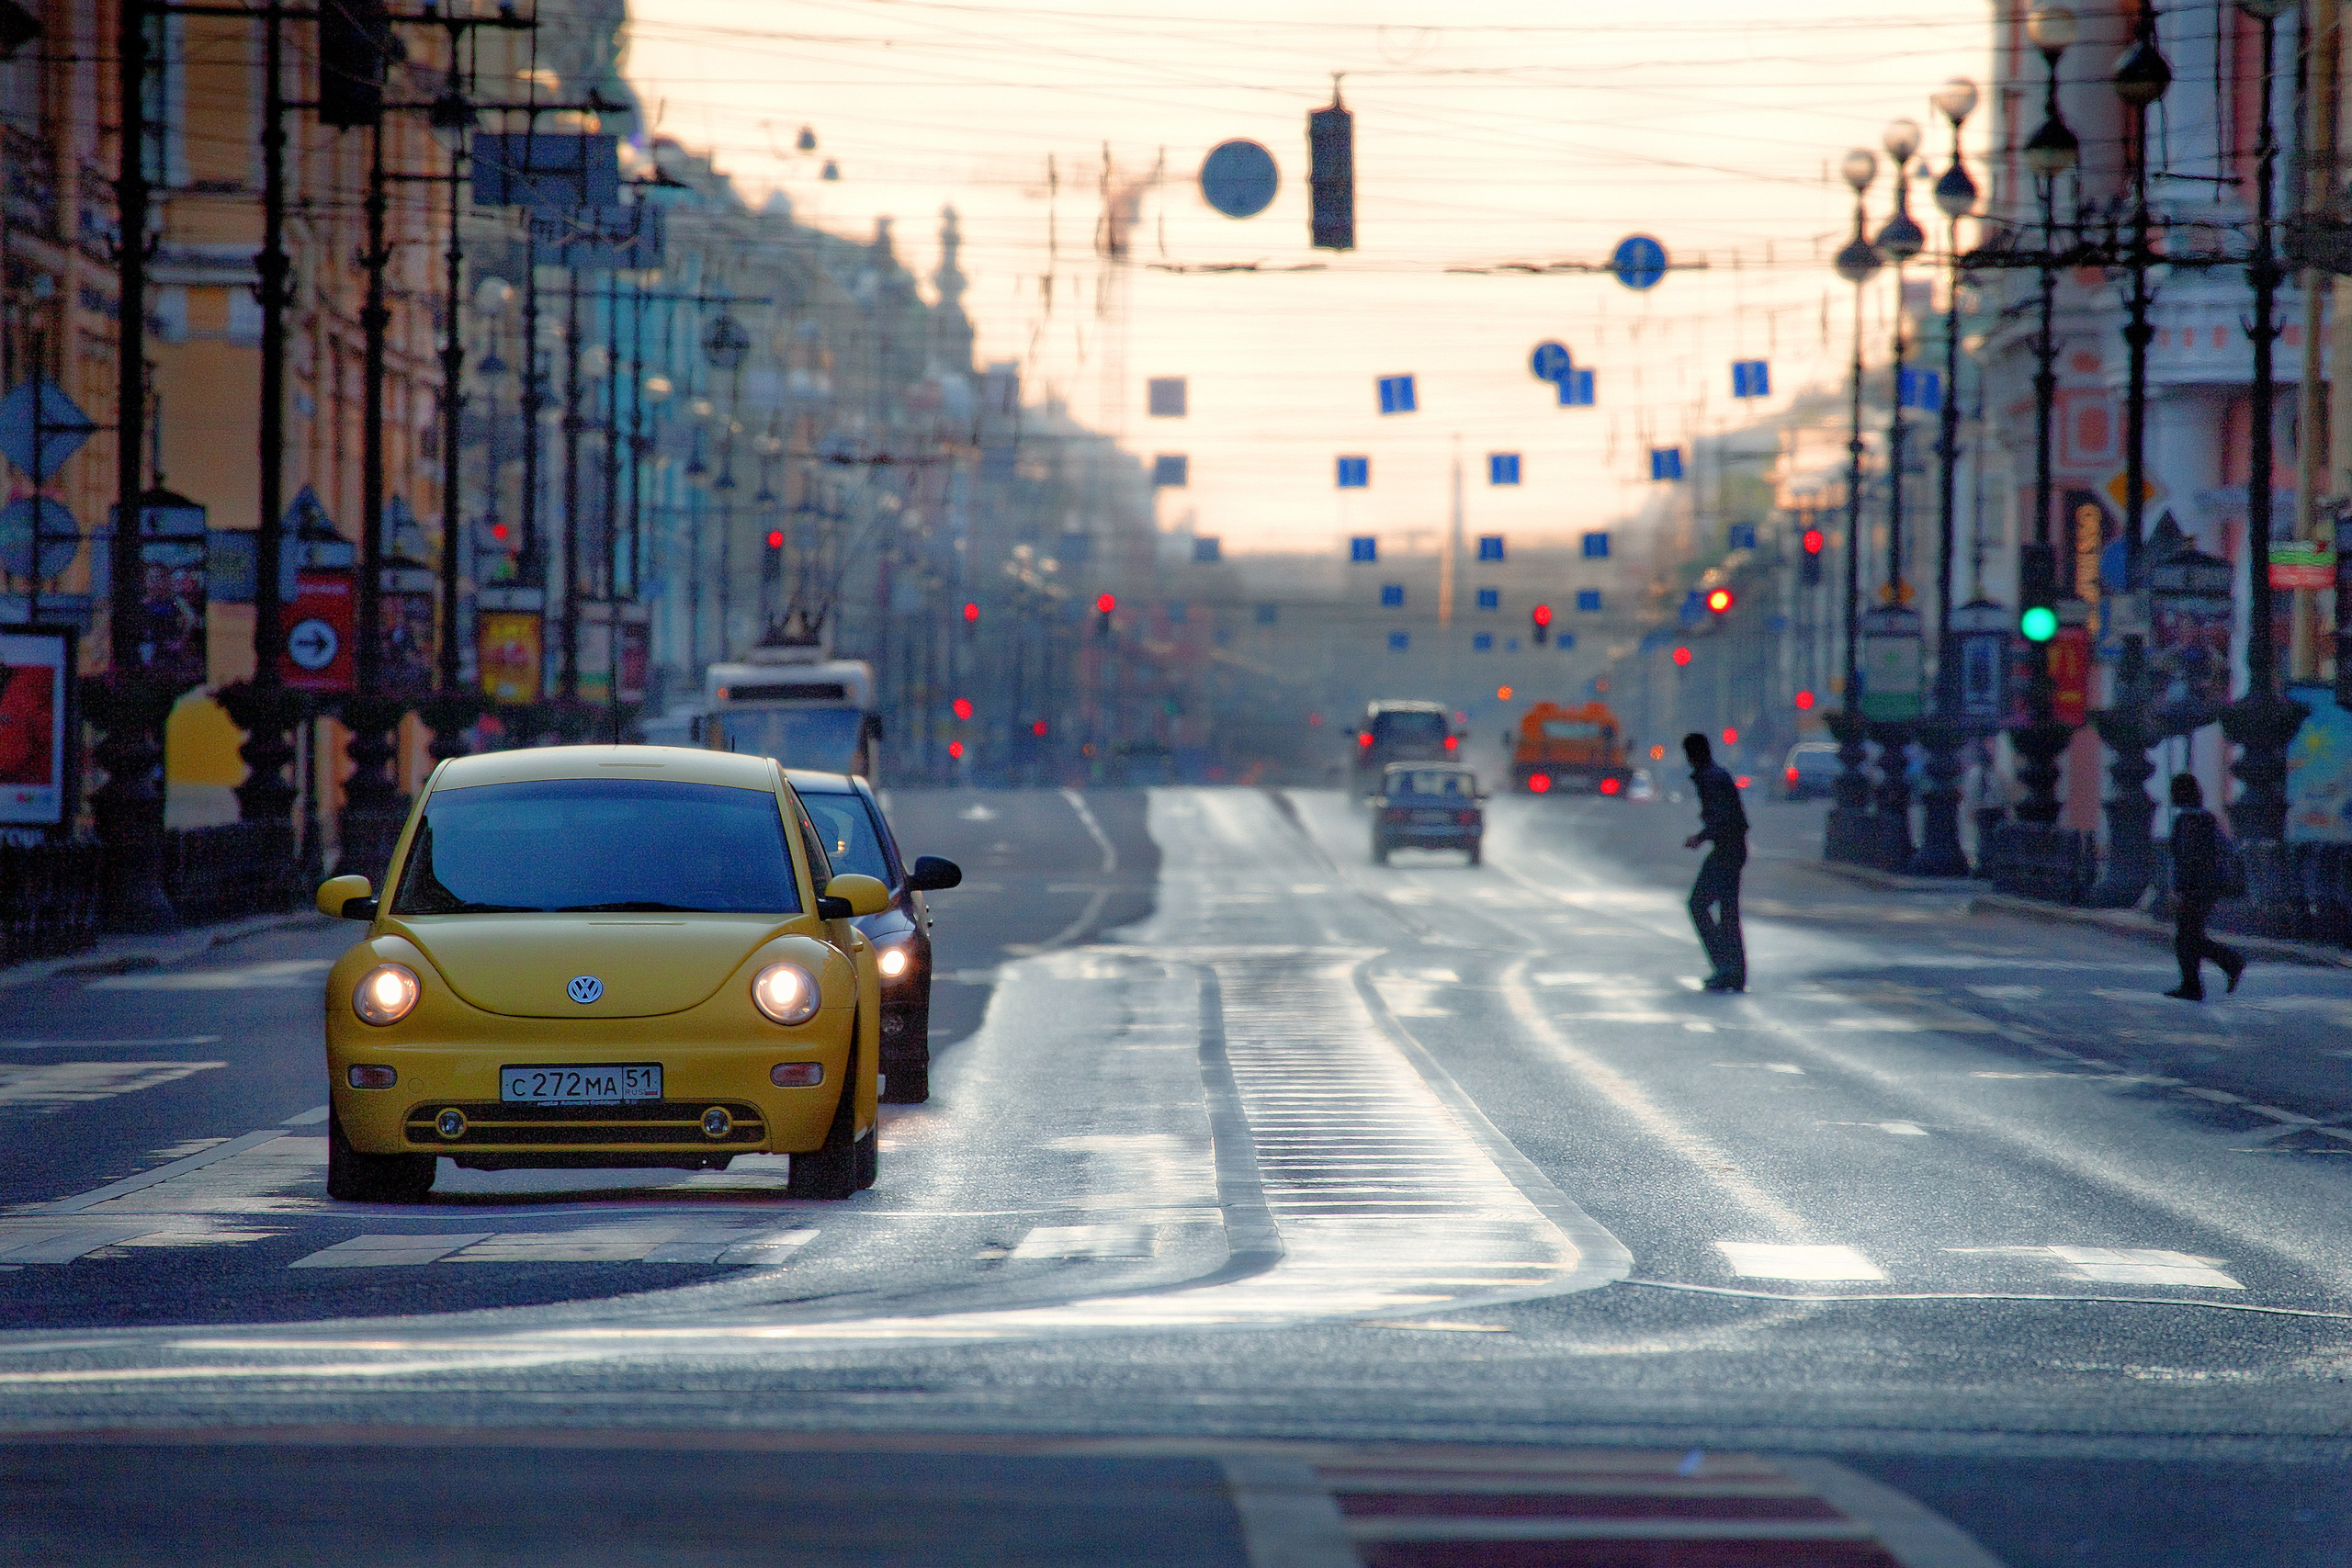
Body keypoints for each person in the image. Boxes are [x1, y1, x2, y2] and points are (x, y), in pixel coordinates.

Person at [2165, 773, 2245, 1001]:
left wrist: (2179, 890)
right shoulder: (2206, 819)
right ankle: (2197, 982)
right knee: (2189, 936)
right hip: (2208, 888)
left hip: (2195, 890)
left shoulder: (2188, 821)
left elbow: (2184, 860)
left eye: (2175, 790)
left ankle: (2227, 965)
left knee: (2186, 938)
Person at [1681, 732, 1748, 992]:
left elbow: (1723, 818)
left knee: (1698, 904)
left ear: (1692, 755)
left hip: (1727, 850)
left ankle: (1726, 967)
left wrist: (1701, 837)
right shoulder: (1715, 775)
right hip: (1733, 848)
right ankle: (1734, 971)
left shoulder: (1710, 778)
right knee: (1728, 912)